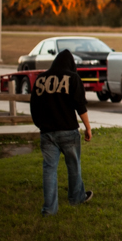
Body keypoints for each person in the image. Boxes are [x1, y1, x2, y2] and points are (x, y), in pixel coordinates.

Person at [29, 49, 93, 216]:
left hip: (47, 132)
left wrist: (40, 124)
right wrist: (88, 127)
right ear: (71, 64)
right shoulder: (72, 78)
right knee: (73, 165)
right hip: (68, 131)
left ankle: (49, 209)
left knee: (49, 169)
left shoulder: (41, 79)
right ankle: (76, 198)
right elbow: (80, 105)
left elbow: (34, 106)